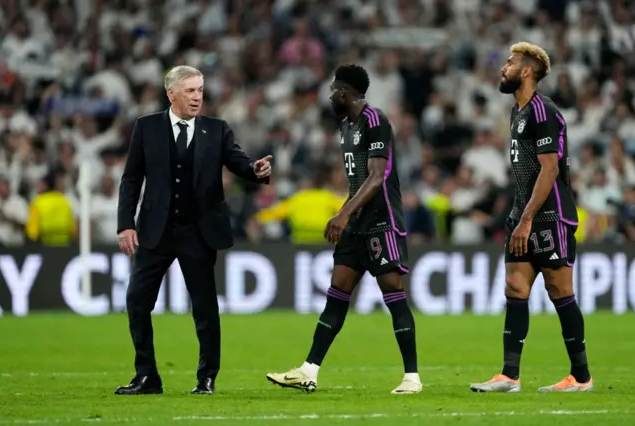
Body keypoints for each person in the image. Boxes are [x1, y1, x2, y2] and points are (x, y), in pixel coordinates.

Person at [115, 65, 272, 396]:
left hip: (198, 233)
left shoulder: (216, 129)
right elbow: (131, 179)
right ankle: (147, 376)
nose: (197, 97)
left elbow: (238, 162)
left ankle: (207, 377)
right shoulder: (146, 127)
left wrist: (256, 170)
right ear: (171, 93)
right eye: (190, 91)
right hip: (155, 231)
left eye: (200, 90)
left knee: (204, 308)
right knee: (136, 301)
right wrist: (125, 223)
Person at [266, 64, 421, 394]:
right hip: (357, 224)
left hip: (382, 222)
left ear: (345, 92)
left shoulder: (374, 120)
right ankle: (309, 370)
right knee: (336, 296)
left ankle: (412, 377)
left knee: (393, 294)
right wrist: (349, 216)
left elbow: (377, 178)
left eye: (333, 90)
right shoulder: (347, 126)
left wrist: (342, 214)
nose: (330, 95)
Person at [470, 42, 592, 393]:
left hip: (550, 216)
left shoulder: (543, 111)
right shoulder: (517, 112)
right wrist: (518, 216)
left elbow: (550, 169)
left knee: (559, 290)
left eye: (509, 63)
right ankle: (509, 375)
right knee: (515, 287)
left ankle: (581, 377)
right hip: (522, 214)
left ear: (526, 71)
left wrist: (527, 219)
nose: (503, 68)